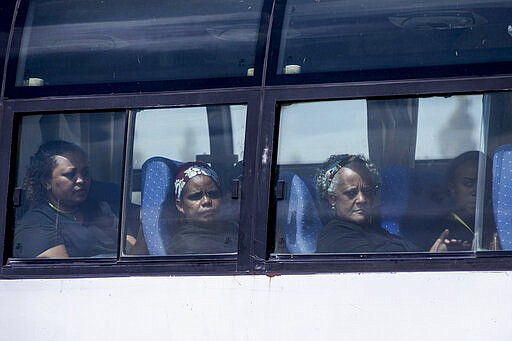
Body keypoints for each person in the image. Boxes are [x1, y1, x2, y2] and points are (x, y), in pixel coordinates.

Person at [13, 140, 135, 258]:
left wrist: (146, 223)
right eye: (70, 174)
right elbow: (62, 275)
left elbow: (133, 257)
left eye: (85, 172)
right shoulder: (36, 223)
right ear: (46, 182)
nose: (81, 180)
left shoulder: (101, 209)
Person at [315, 154, 422, 253]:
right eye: (351, 193)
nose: (362, 199)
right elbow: (375, 261)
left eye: (367, 192)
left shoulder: (377, 232)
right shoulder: (334, 237)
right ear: (332, 198)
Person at [401, 151, 500, 251]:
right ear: (452, 188)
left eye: (484, 184)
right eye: (468, 183)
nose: (476, 191)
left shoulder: (500, 224)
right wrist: (437, 254)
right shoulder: (429, 228)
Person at [166, 161, 238, 254]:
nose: (206, 201)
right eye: (195, 196)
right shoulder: (186, 245)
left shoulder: (233, 228)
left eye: (213, 194)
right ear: (180, 206)